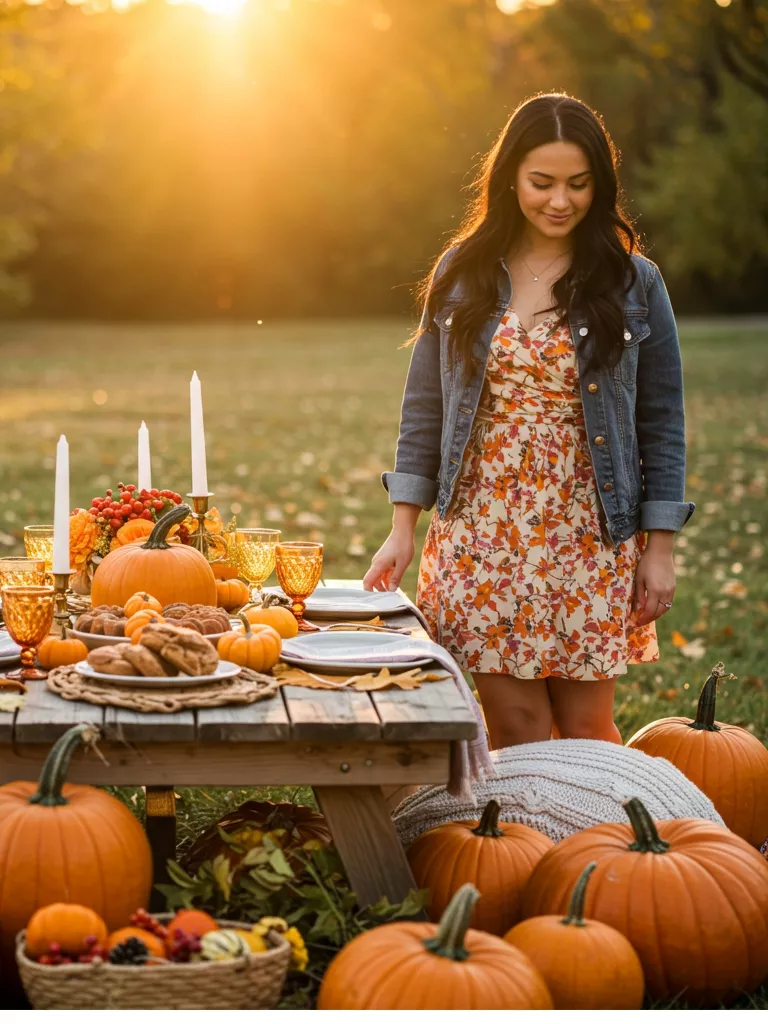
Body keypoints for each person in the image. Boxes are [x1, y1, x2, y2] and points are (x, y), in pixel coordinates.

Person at [364, 93, 694, 751]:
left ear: (599, 185)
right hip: (482, 528)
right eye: (542, 182)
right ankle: (522, 826)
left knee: (586, 729)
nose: (560, 200)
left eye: (579, 183)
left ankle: (604, 824)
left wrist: (659, 548)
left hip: (589, 530)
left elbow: (662, 419)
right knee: (514, 728)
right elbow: (425, 406)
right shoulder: (462, 272)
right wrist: (403, 528)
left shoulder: (634, 282)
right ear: (510, 177)